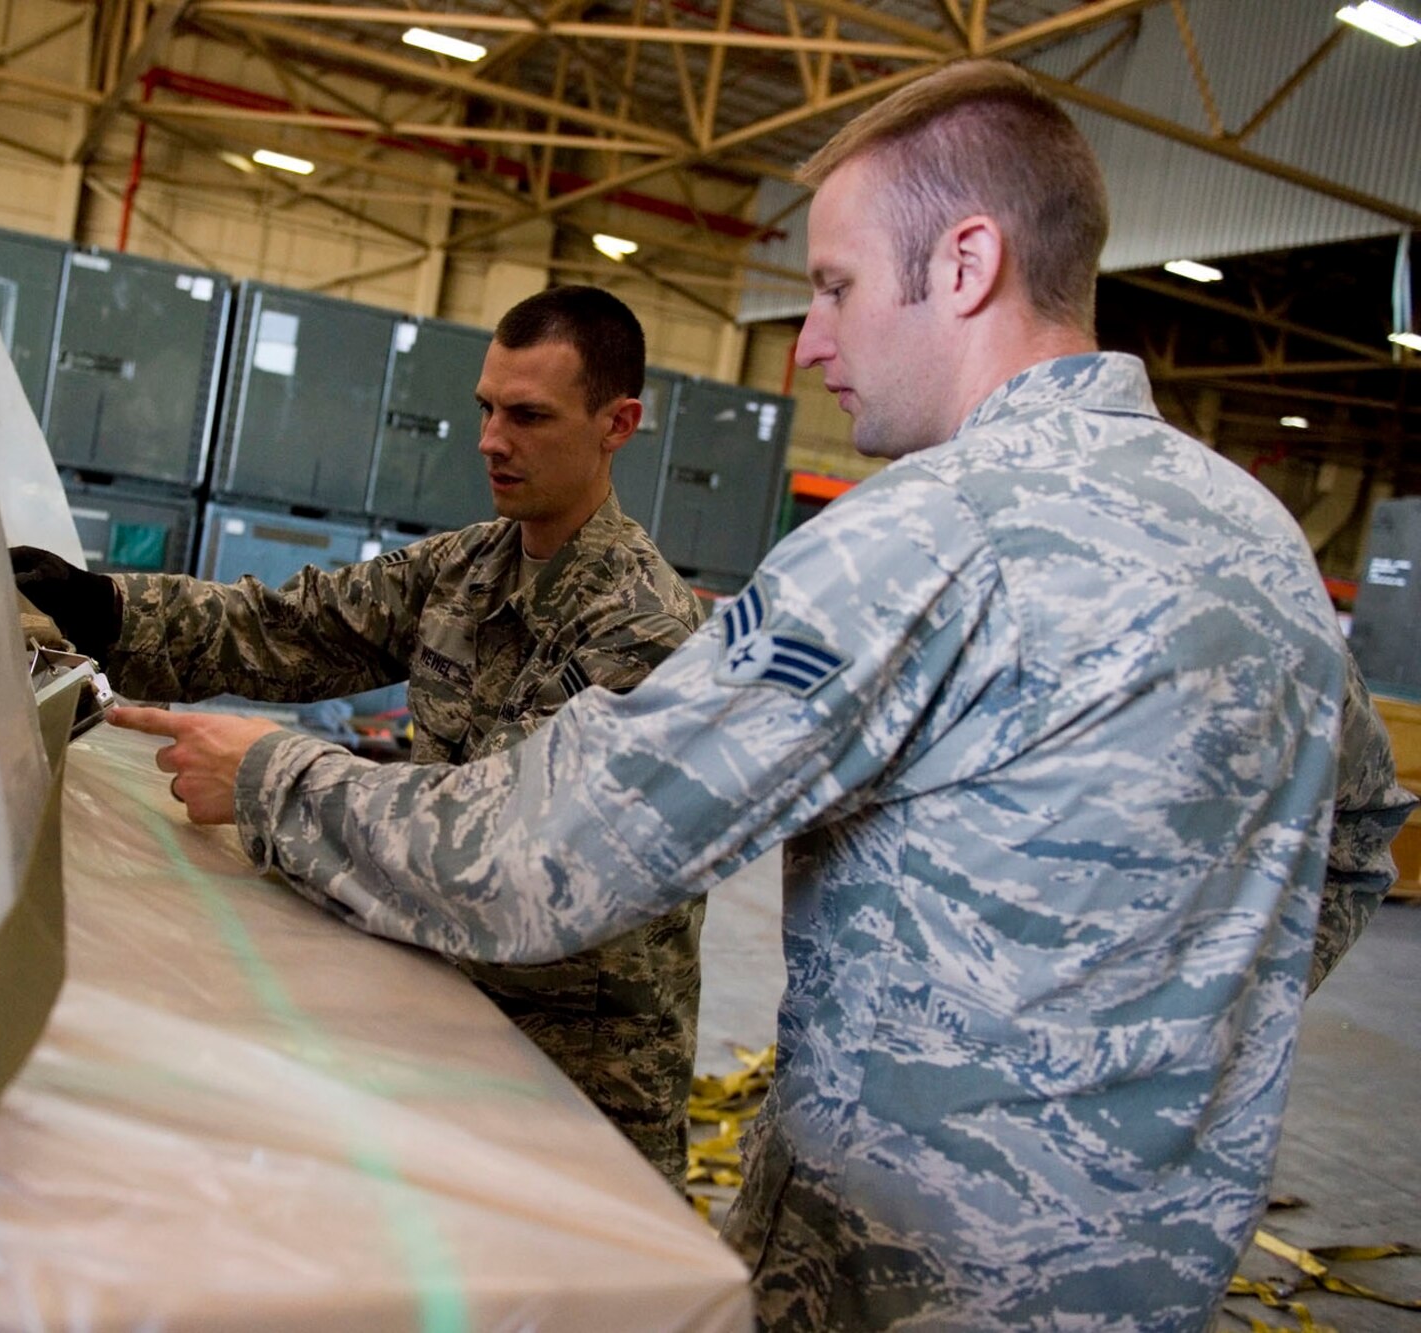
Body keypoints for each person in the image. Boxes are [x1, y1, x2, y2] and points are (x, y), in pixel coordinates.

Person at [109, 61, 1418, 1330]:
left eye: (838, 288)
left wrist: (277, 776)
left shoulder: (930, 535)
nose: (810, 346)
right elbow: (1356, 839)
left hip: (912, 1271)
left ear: (965, 266)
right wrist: (1133, 1060)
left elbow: (550, 856)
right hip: (1150, 1264)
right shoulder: (1255, 537)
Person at [14, 286, 708, 1187]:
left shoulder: (645, 629)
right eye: (486, 409)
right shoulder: (468, 567)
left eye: (530, 416)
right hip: (453, 1031)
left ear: (619, 423)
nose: (493, 441)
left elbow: (510, 846)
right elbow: (292, 628)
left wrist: (266, 773)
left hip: (580, 1090)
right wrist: (103, 606)